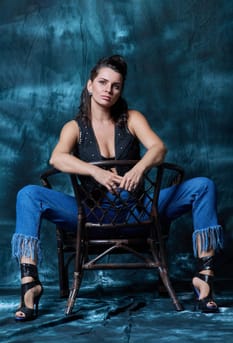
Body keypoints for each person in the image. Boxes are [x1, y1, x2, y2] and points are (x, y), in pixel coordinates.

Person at [12, 55, 223, 321]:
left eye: (115, 85)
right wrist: (95, 171)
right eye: (102, 82)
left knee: (203, 186)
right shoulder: (74, 127)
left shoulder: (131, 118)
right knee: (28, 195)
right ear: (89, 85)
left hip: (140, 212)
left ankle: (204, 278)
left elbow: (158, 148)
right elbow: (57, 158)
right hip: (91, 216)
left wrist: (139, 168)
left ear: (121, 90)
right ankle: (30, 284)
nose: (107, 90)